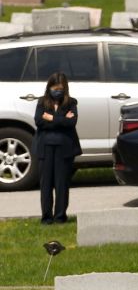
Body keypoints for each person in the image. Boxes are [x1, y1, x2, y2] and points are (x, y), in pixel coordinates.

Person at [32, 72, 82, 225]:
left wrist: (52, 118)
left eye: (60, 88)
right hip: (45, 146)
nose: (57, 91)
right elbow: (39, 121)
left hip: (64, 147)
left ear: (65, 88)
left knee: (62, 184)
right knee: (46, 184)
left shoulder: (71, 102)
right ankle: (46, 217)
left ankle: (60, 216)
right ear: (49, 87)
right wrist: (61, 120)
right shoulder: (42, 102)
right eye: (54, 87)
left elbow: (71, 122)